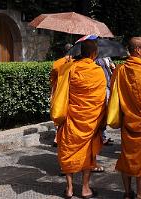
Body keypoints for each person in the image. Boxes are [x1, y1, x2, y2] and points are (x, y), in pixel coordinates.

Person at [52, 39, 106, 198]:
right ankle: (85, 189)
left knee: (68, 151)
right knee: (87, 153)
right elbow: (102, 100)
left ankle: (69, 189)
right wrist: (102, 121)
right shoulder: (98, 71)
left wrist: (66, 61)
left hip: (71, 118)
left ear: (80, 52)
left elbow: (55, 72)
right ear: (94, 54)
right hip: (91, 120)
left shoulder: (69, 68)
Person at [107, 37, 141, 199]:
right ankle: (140, 194)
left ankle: (127, 193)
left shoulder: (120, 70)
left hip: (127, 122)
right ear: (137, 50)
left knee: (127, 158)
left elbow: (114, 96)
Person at [50, 43, 73, 147]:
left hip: (58, 92)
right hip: (70, 93)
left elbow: (52, 80)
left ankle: (57, 137)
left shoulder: (57, 63)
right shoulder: (75, 63)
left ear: (64, 51)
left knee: (59, 113)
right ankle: (64, 137)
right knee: (68, 116)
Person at [96, 57, 116, 145]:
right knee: (102, 112)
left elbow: (111, 68)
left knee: (106, 112)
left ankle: (104, 135)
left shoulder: (107, 58)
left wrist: (113, 67)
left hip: (109, 85)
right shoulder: (96, 59)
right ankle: (102, 136)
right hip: (102, 86)